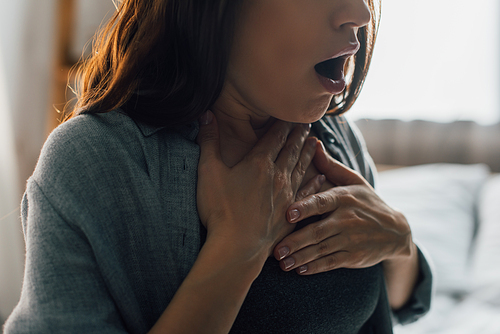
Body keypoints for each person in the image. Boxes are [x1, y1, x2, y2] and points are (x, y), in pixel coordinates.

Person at [4, 0, 432, 333]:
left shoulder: (336, 136)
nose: (358, 15)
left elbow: (399, 304)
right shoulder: (92, 163)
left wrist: (400, 244)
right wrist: (237, 248)